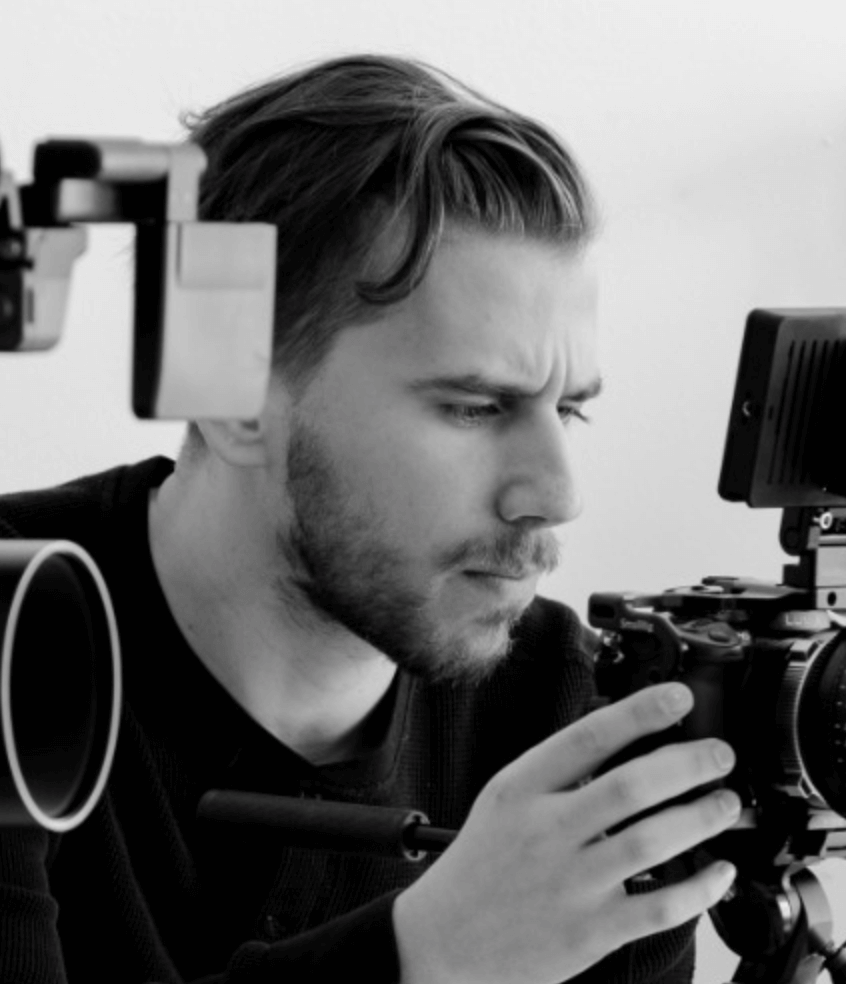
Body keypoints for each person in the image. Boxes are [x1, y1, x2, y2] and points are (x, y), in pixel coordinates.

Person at [0, 54, 740, 984]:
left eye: (571, 409)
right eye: (474, 407)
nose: (556, 492)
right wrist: (425, 958)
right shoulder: (12, 630)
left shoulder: (569, 714)